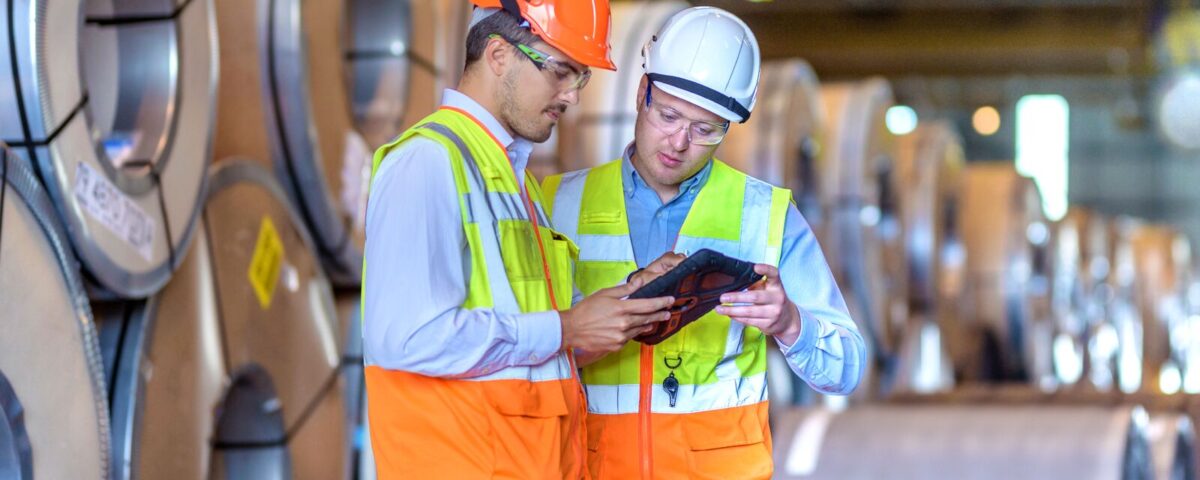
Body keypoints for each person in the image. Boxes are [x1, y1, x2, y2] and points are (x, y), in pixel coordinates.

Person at [541, 7, 866, 479]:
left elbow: (846, 370)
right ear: (640, 94)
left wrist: (790, 323)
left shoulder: (767, 215)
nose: (678, 142)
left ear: (728, 129)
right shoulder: (556, 204)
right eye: (668, 115)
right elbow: (520, 349)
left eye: (705, 129)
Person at [360, 1, 674, 478]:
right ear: (499, 54)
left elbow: (532, 352)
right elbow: (407, 337)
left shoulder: (515, 180)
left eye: (580, 79)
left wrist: (624, 307)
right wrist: (567, 327)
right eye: (561, 73)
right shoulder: (427, 161)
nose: (572, 97)